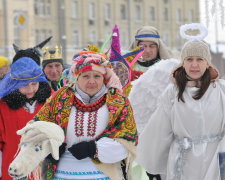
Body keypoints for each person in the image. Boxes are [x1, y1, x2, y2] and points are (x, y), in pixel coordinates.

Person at [137, 24, 225, 180]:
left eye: (200, 59)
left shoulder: (220, 90)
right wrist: (153, 165)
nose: (194, 65)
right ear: (182, 63)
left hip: (215, 159)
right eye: (189, 59)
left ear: (207, 63)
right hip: (183, 161)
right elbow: (159, 130)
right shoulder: (173, 92)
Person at [31, 52, 138, 180]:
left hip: (103, 175)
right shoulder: (61, 98)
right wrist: (48, 147)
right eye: (86, 76)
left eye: (97, 76)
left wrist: (94, 149)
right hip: (62, 174)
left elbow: (128, 141)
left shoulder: (117, 101)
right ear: (77, 77)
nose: (91, 81)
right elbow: (36, 130)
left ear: (104, 78)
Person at [0, 57, 51, 180]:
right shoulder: (3, 107)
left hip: (43, 166)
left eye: (34, 84)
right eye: (24, 85)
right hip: (12, 165)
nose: (30, 89)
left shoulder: (50, 103)